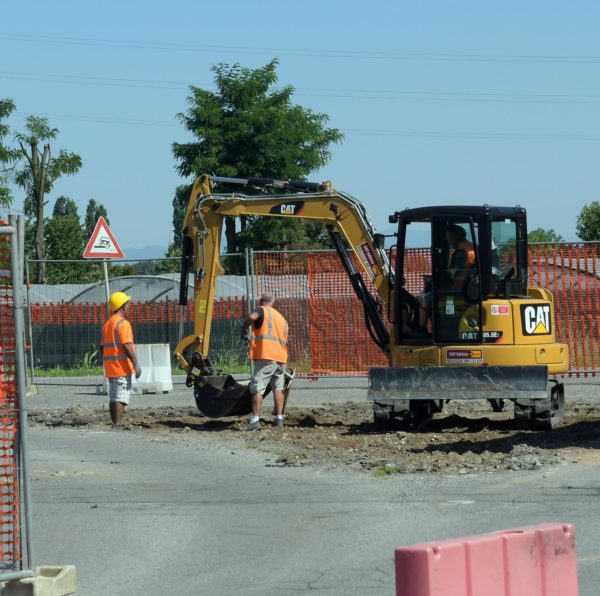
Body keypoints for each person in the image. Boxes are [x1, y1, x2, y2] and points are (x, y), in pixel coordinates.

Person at [241, 292, 289, 430]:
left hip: (266, 356)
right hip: (281, 358)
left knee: (257, 387)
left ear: (261, 301)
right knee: (278, 388)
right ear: (272, 302)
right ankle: (279, 419)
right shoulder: (281, 318)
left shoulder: (261, 310)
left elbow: (251, 318)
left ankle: (255, 421)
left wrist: (244, 329)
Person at [101, 291, 142, 427]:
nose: (129, 306)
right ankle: (117, 423)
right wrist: (135, 363)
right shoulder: (123, 324)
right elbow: (126, 345)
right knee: (121, 397)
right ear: (122, 306)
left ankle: (114, 423)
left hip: (111, 368)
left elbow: (102, 348)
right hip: (122, 367)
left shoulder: (107, 324)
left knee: (114, 396)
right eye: (127, 304)